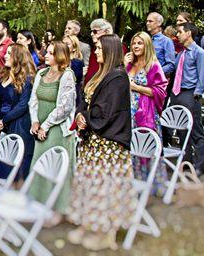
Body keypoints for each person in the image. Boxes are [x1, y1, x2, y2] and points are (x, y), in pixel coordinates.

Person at [67, 34, 135, 251]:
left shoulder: (118, 77)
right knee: (89, 185)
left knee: (105, 188)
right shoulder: (99, 74)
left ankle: (107, 232)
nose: (95, 52)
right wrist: (80, 115)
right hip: (92, 143)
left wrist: (86, 118)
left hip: (108, 145)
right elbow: (84, 99)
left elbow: (107, 111)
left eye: (98, 48)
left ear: (110, 50)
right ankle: (89, 223)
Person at [28, 41, 76, 226]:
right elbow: (33, 99)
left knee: (57, 168)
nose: (45, 55)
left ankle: (59, 208)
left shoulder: (67, 76)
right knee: (40, 164)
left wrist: (46, 126)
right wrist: (34, 121)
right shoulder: (41, 73)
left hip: (57, 129)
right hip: (40, 126)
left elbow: (65, 107)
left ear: (60, 56)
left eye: (49, 53)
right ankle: (40, 203)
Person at [124, 32, 169, 197]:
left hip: (146, 113)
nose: (136, 46)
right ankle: (135, 182)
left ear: (147, 45)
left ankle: (152, 186)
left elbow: (160, 91)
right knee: (132, 147)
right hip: (129, 112)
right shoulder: (129, 65)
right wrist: (124, 65)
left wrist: (136, 88)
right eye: (134, 43)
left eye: (140, 43)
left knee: (147, 147)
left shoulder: (154, 65)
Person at [169, 22, 204, 176]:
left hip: (190, 94)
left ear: (188, 33)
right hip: (177, 94)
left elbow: (202, 76)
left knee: (195, 131)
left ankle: (199, 166)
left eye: (179, 32)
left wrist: (196, 95)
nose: (177, 35)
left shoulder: (199, 53)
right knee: (181, 130)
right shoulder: (181, 54)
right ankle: (187, 162)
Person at [0, 44, 35, 185]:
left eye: (9, 53)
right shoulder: (3, 77)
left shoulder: (27, 79)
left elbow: (22, 106)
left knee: (17, 169)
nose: (5, 55)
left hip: (19, 127)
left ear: (17, 57)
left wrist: (4, 119)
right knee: (3, 165)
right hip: (1, 126)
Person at [84, 18, 114, 84]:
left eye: (95, 31)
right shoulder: (94, 50)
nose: (92, 34)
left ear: (107, 32)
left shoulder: (117, 47)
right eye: (91, 31)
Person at [146, 12, 175, 77]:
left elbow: (171, 65)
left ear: (159, 23)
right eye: (147, 21)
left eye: (150, 21)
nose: (147, 23)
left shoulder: (166, 41)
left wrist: (155, 72)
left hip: (158, 80)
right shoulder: (147, 40)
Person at [62, 34, 84, 106]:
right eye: (63, 44)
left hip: (70, 98)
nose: (64, 46)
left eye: (67, 44)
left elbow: (74, 80)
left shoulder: (77, 63)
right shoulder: (58, 61)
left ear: (74, 48)